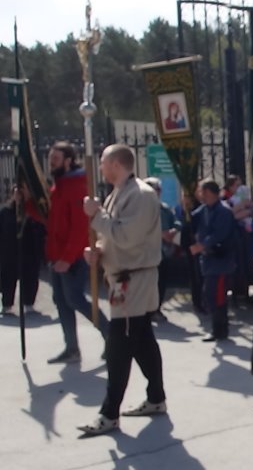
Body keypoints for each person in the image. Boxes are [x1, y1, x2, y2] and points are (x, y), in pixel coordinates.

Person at [78, 144, 166, 436]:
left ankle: (109, 413)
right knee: (142, 341)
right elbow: (113, 236)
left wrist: (96, 215)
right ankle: (156, 398)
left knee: (118, 345)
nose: (100, 168)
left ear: (115, 164)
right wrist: (98, 250)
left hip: (134, 280)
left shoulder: (140, 195)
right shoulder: (118, 193)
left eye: (103, 163)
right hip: (123, 277)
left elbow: (128, 236)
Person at [32, 141, 110, 364]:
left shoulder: (75, 185)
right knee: (61, 301)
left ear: (68, 161)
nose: (51, 163)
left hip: (73, 257)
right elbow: (52, 220)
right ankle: (72, 348)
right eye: (50, 159)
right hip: (57, 255)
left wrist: (67, 258)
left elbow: (80, 227)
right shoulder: (59, 186)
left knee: (74, 299)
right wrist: (27, 204)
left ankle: (111, 336)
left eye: (55, 159)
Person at [190, 179, 236, 342]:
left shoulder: (223, 211)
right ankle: (218, 328)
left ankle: (220, 330)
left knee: (218, 295)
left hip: (221, 260)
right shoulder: (205, 209)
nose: (200, 195)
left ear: (209, 192)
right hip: (209, 260)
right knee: (210, 294)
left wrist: (202, 245)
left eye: (202, 191)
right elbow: (192, 219)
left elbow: (219, 234)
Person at [1, 187, 45, 316]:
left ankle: (29, 304)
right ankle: (7, 305)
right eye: (17, 193)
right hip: (9, 251)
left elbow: (41, 229)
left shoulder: (33, 211)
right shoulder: (5, 212)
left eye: (22, 193)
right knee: (8, 278)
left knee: (30, 277)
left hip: (29, 250)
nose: (19, 196)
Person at [144, 177, 181, 322]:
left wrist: (173, 231)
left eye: (159, 190)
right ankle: (148, 310)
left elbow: (177, 221)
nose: (158, 192)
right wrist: (161, 234)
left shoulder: (164, 208)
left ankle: (157, 308)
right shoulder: (142, 209)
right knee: (149, 283)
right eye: (155, 189)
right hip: (148, 252)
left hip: (164, 251)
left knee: (161, 282)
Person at [223, 174, 253, 301]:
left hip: (243, 234)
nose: (240, 188)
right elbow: (227, 215)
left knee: (244, 263)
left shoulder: (243, 197)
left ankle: (244, 292)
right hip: (231, 236)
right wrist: (239, 209)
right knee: (234, 265)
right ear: (230, 187)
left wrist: (243, 211)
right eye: (237, 185)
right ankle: (234, 293)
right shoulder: (225, 198)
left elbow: (249, 211)